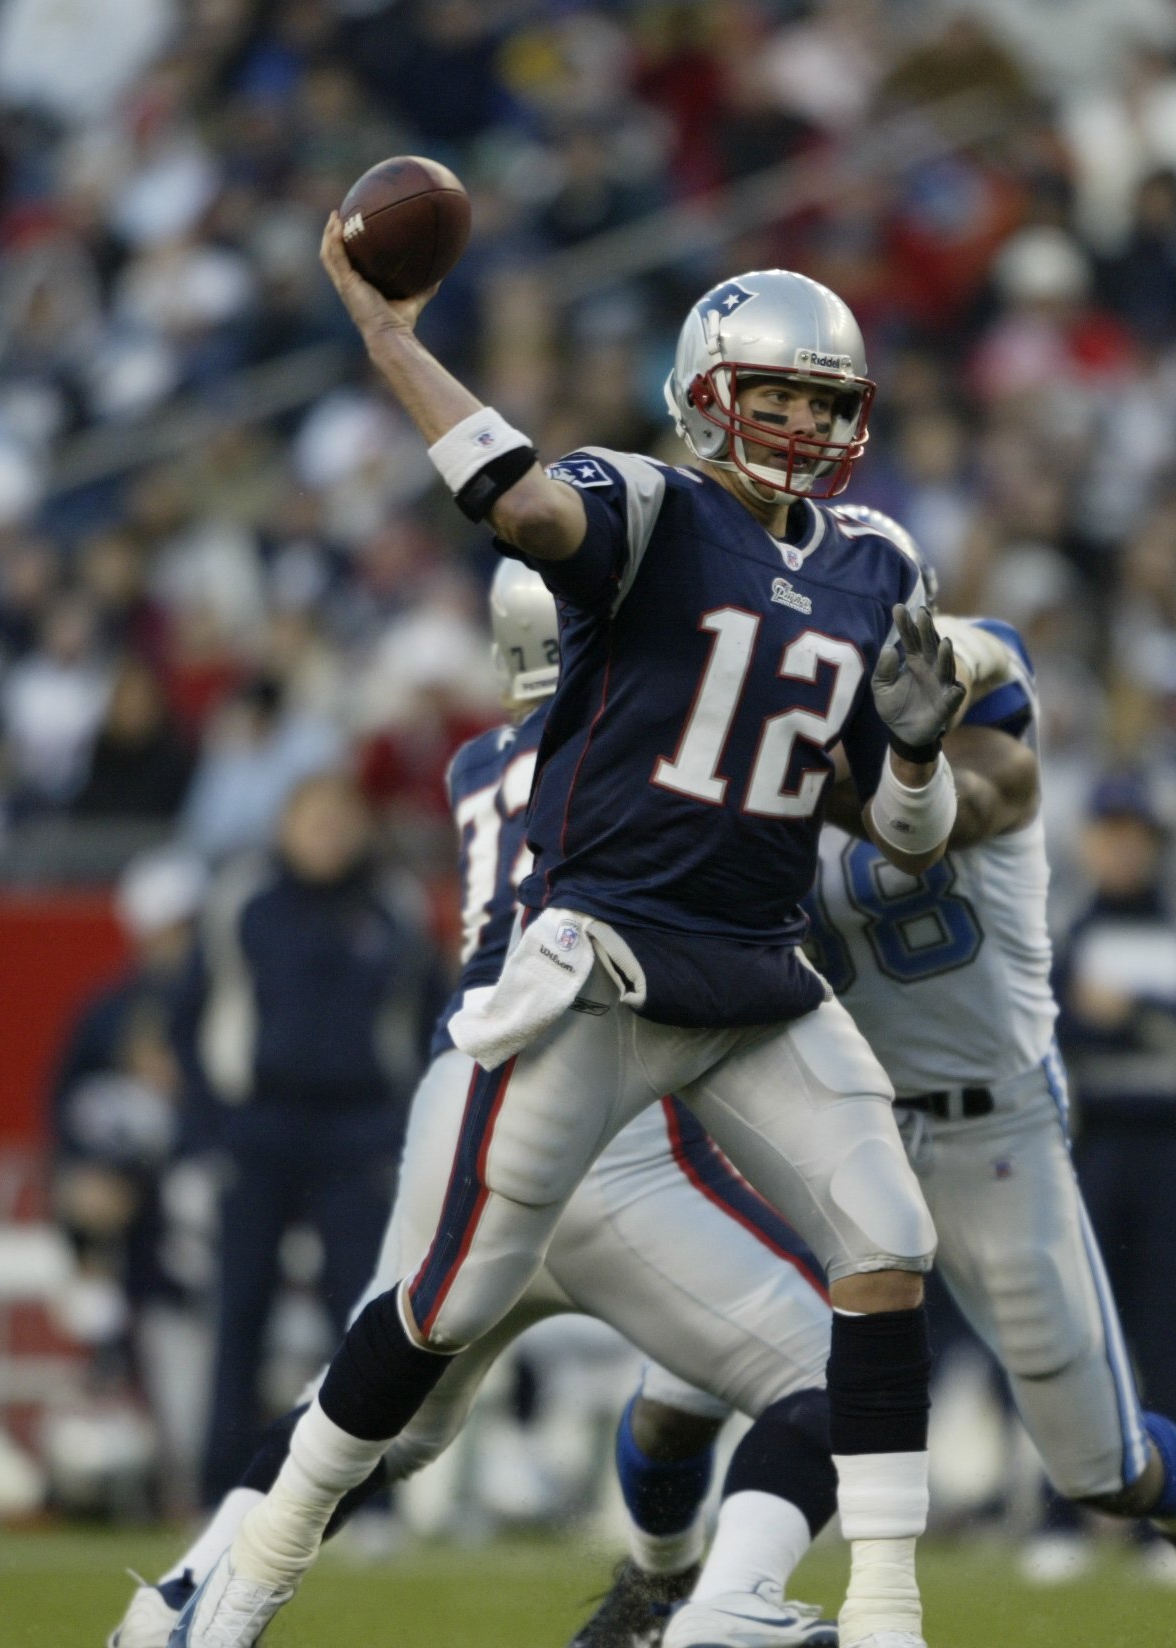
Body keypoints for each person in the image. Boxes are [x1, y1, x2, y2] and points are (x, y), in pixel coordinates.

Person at [175, 230, 968, 1648]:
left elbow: (903, 832)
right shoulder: (652, 506)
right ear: (706, 391)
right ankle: (245, 1581)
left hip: (758, 973)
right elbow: (525, 507)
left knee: (890, 1239)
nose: (798, 426)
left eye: (821, 403)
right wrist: (392, 338)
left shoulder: (875, 563)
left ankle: (891, 1616)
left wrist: (914, 759)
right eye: (772, 395)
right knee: (433, 1312)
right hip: (605, 965)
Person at [113, 563, 836, 1648]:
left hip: (462, 1098)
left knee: (366, 1418)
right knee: (845, 1371)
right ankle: (717, 1610)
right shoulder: (654, 748)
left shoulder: (475, 763)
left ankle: (185, 1592)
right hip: (599, 1122)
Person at [651, 507, 1176, 1648]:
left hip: (990, 1132)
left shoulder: (984, 749)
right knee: (725, 1381)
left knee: (1101, 1463)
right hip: (832, 1121)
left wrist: (846, 745)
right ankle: (665, 1594)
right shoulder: (753, 758)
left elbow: (956, 782)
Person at [173, 768, 438, 1505]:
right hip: (258, 1126)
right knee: (239, 1315)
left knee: (365, 1325)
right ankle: (218, 1493)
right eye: (311, 818)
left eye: (339, 818)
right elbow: (189, 1019)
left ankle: (367, 1501)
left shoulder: (394, 905)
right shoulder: (241, 899)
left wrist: (403, 1133)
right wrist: (206, 1135)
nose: (325, 833)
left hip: (360, 1133)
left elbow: (432, 1026)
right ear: (285, 824)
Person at [1051, 774, 1176, 1458]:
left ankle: (1163, 1504)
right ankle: (1063, 1507)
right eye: (1112, 837)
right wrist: (1130, 1026)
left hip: (1170, 1146)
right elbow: (1051, 1023)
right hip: (1091, 1142)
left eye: (1137, 838)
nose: (1123, 852)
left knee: (1171, 1327)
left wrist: (1128, 1015)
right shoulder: (1067, 919)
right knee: (1076, 1325)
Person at [46, 849, 206, 1405]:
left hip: (195, 1188)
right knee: (94, 1187)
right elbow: (66, 1105)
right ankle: (105, 1339)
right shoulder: (108, 1011)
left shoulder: (221, 1006)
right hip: (123, 1197)